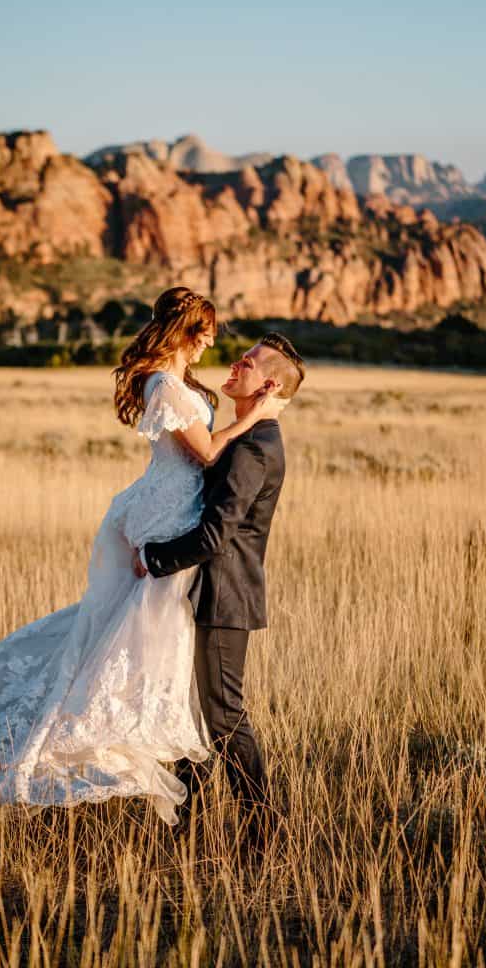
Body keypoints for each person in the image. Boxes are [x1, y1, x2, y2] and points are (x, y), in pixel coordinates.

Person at [0, 287, 283, 826]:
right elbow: (205, 452)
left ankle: (190, 795)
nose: (211, 339)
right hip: (167, 519)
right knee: (143, 650)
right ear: (182, 328)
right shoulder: (163, 382)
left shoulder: (183, 382)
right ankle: (93, 746)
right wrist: (256, 417)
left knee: (163, 657)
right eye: (203, 329)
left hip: (174, 515)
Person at [134, 332, 305, 822]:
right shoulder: (250, 437)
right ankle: (188, 817)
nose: (234, 364)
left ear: (268, 386)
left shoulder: (255, 448)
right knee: (197, 711)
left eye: (246, 363)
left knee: (225, 715)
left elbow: (214, 536)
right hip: (208, 593)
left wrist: (154, 557)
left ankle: (263, 825)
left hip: (224, 597)